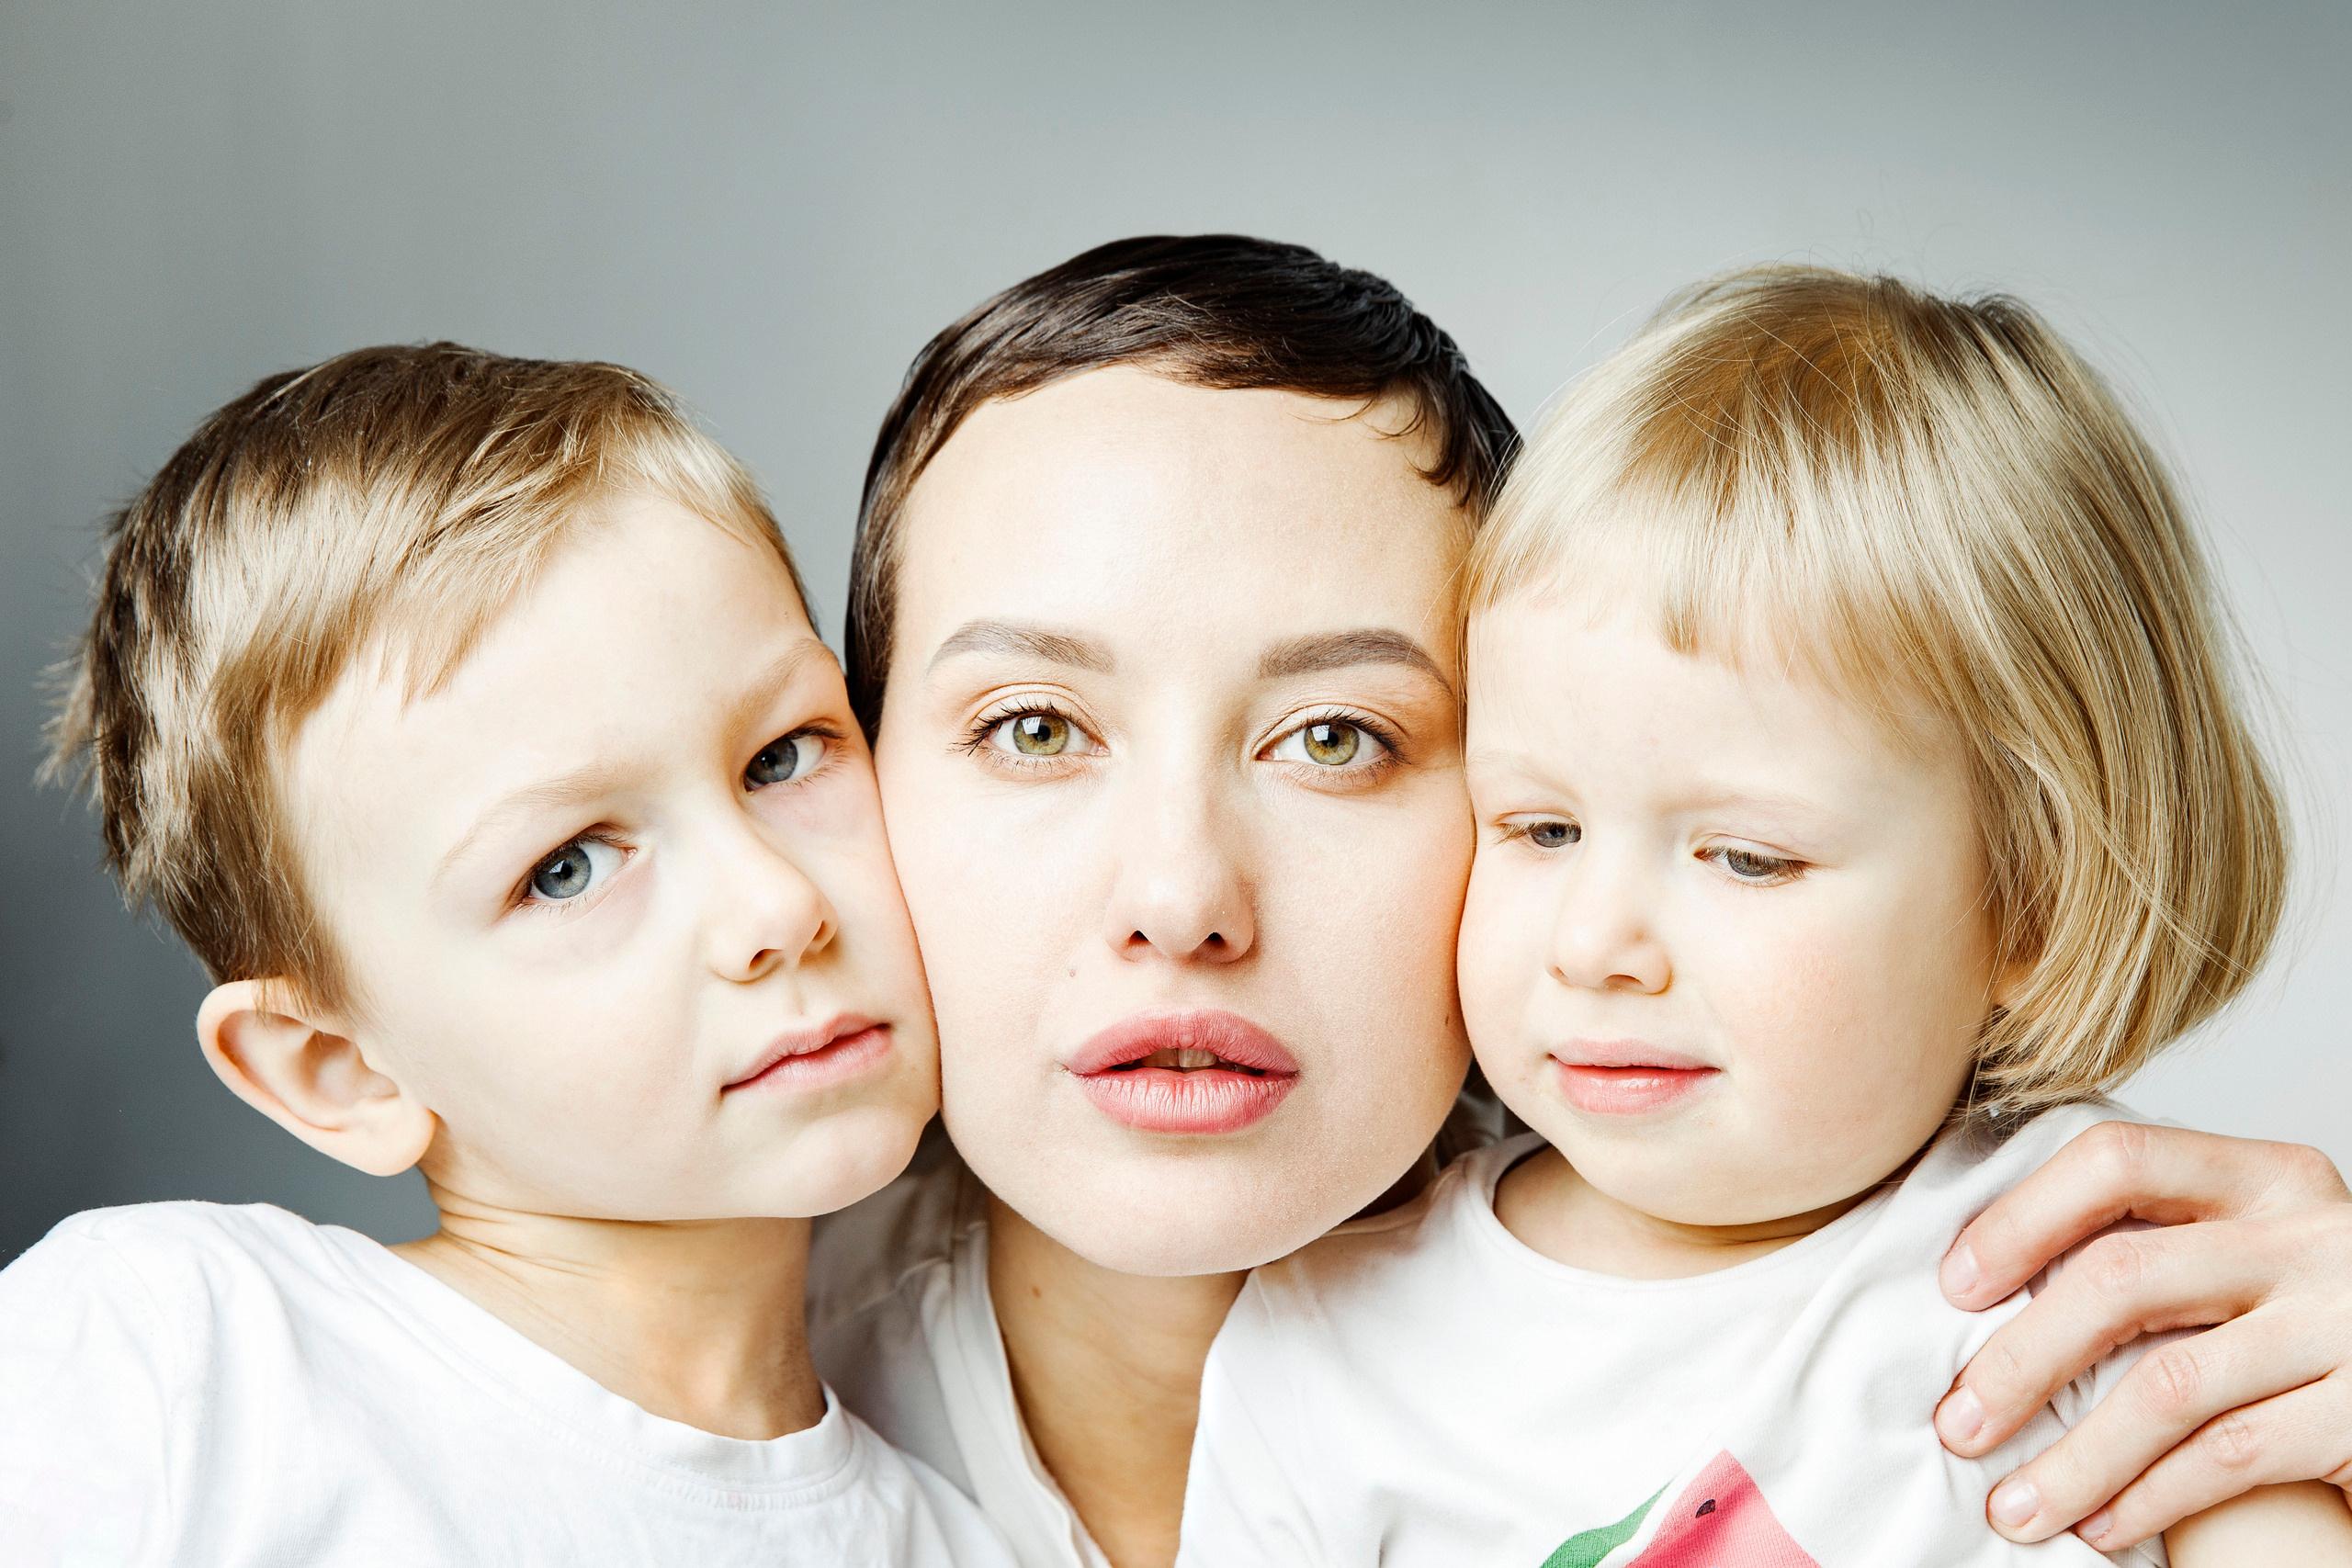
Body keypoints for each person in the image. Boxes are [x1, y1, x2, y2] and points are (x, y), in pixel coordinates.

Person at [809, 237, 2352, 1568]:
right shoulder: (656, 1395)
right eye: (1033, 728)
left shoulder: (2086, 1280)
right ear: (849, 780)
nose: (1180, 898)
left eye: (1338, 738)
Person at [4, 346, 1012, 1565]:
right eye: (569, 866)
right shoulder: (180, 1369)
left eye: (783, 756)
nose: (777, 907)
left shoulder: (970, 1545)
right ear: (339, 1070)